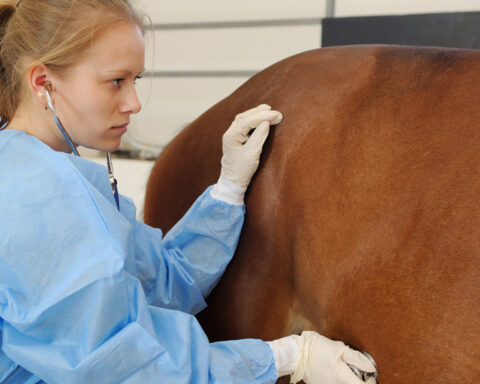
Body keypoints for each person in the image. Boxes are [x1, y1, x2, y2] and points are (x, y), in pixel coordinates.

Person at [0, 0, 377, 383]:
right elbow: (125, 371)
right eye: (116, 81)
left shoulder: (51, 174)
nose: (133, 103)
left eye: (136, 80)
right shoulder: (35, 196)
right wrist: (284, 357)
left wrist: (228, 188)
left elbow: (164, 283)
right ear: (43, 83)